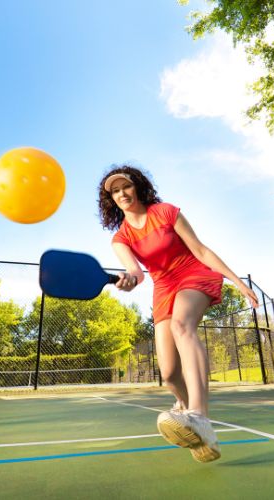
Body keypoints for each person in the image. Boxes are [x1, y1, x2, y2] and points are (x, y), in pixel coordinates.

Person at [98, 165, 258, 463]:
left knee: (183, 326)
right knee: (170, 373)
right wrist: (130, 280)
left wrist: (237, 282)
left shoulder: (166, 212)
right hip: (163, 287)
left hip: (193, 274)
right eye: (115, 191)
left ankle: (197, 414)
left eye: (126, 187)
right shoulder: (120, 238)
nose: (122, 193)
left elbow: (200, 249)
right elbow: (135, 271)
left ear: (138, 187)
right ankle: (201, 430)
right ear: (111, 199)